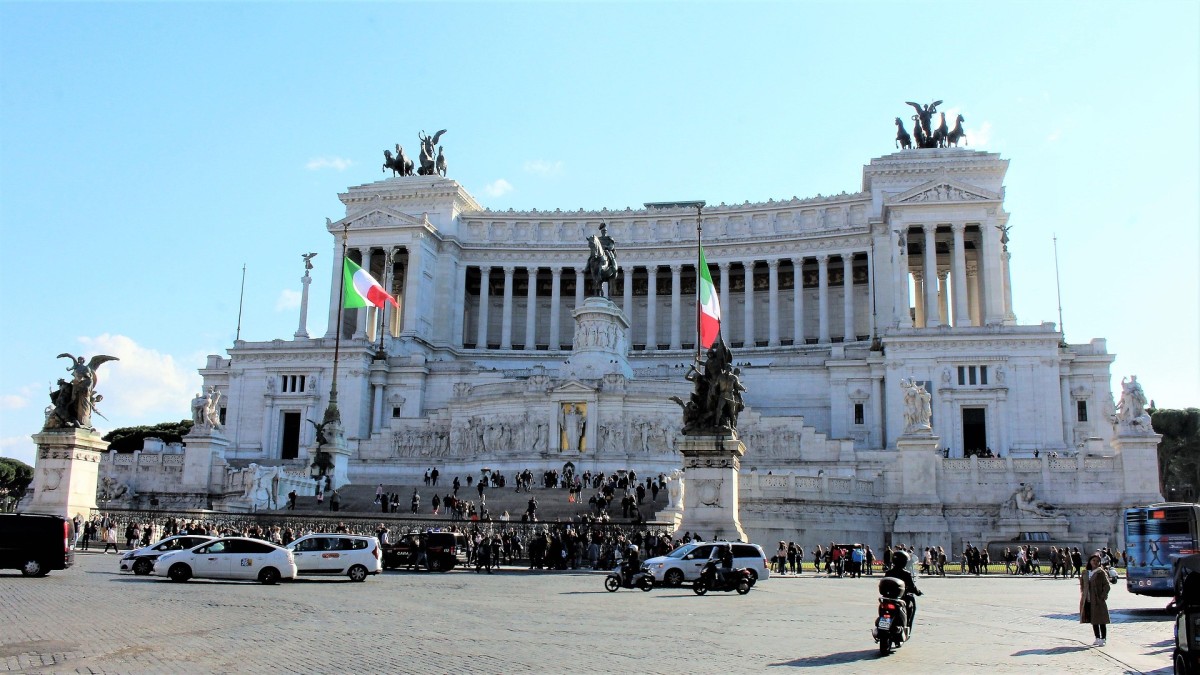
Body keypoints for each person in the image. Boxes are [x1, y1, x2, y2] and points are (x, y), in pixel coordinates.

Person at [884, 550, 923, 628]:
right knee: (911, 606)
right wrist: (918, 592)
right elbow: (912, 587)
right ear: (904, 562)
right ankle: (907, 625)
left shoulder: (888, 572)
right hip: (902, 597)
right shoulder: (906, 574)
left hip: (889, 597)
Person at [1080, 553, 1112, 646]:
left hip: (1098, 599)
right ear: (1090, 561)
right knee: (1093, 619)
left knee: (1101, 619)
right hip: (1088, 599)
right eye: (1093, 560)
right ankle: (1097, 637)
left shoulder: (1100, 572)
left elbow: (1107, 585)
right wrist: (1083, 594)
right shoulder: (1085, 573)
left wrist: (1103, 595)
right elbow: (1082, 585)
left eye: (1097, 561)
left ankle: (1103, 638)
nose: (1095, 562)